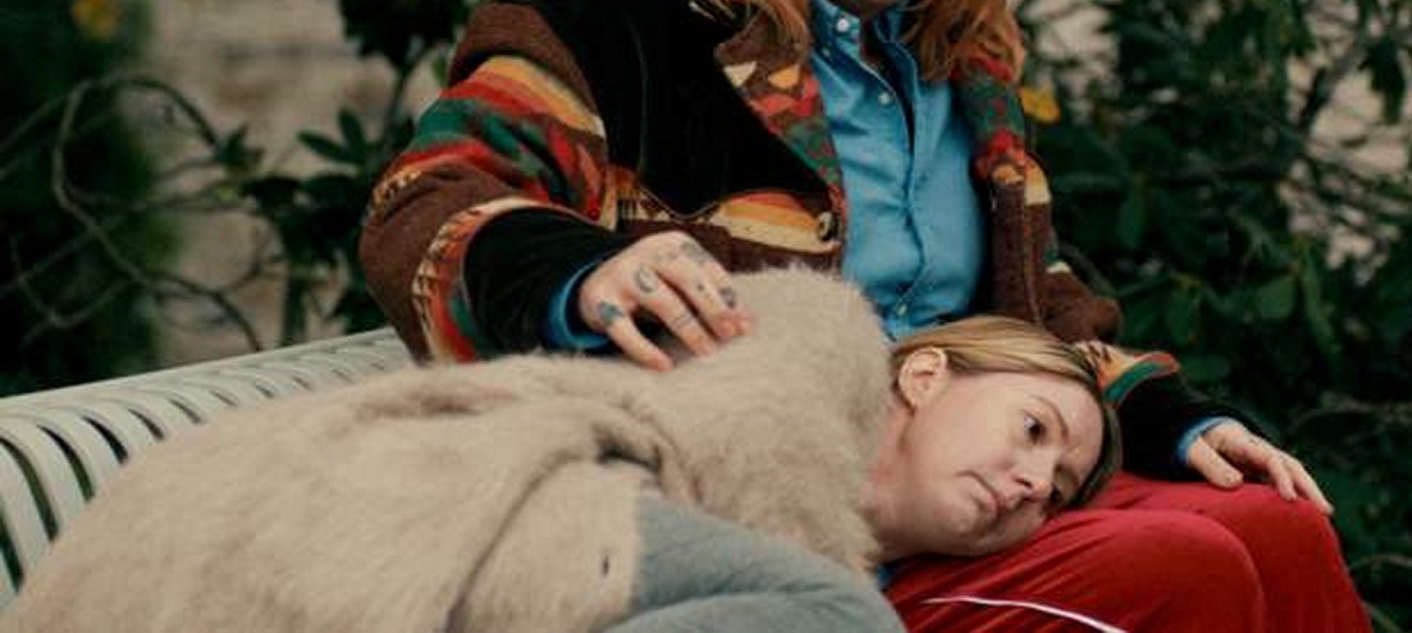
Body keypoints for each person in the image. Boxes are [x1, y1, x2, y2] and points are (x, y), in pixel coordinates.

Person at [359, 0, 1369, 631]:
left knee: (1278, 523)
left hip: (977, 487)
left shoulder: (960, 58)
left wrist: (1160, 415)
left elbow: (1030, 306)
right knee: (1181, 569)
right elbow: (423, 204)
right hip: (792, 519)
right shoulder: (619, 23)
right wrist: (584, 276)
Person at [2, 269, 1118, 633]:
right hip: (478, 487)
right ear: (929, 375)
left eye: (1054, 491)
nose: (1031, 481)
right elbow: (751, 424)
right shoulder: (831, 332)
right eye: (1034, 428)